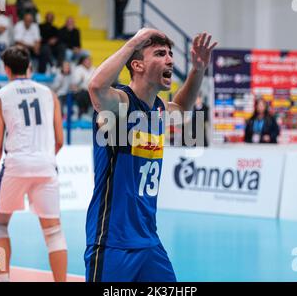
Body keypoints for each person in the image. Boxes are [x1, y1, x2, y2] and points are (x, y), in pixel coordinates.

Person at [85, 28, 217, 282]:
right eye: (159, 53)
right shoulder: (121, 105)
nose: (170, 59)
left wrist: (197, 70)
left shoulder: (158, 109)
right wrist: (133, 42)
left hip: (149, 243)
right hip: (113, 243)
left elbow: (182, 108)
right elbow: (96, 86)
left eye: (170, 53)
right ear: (137, 65)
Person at [0, 45, 67, 282]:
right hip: (45, 164)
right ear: (30, 67)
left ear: (7, 69)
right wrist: (43, 156)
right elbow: (60, 140)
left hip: (16, 165)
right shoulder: (49, 94)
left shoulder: (0, 96)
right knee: (53, 232)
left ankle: (3, 280)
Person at [72, 54, 95, 119]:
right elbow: (74, 84)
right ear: (83, 61)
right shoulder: (78, 69)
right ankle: (83, 112)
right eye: (87, 60)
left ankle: (90, 113)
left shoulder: (94, 69)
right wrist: (80, 80)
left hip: (91, 91)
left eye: (90, 60)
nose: (89, 62)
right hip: (80, 91)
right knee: (83, 94)